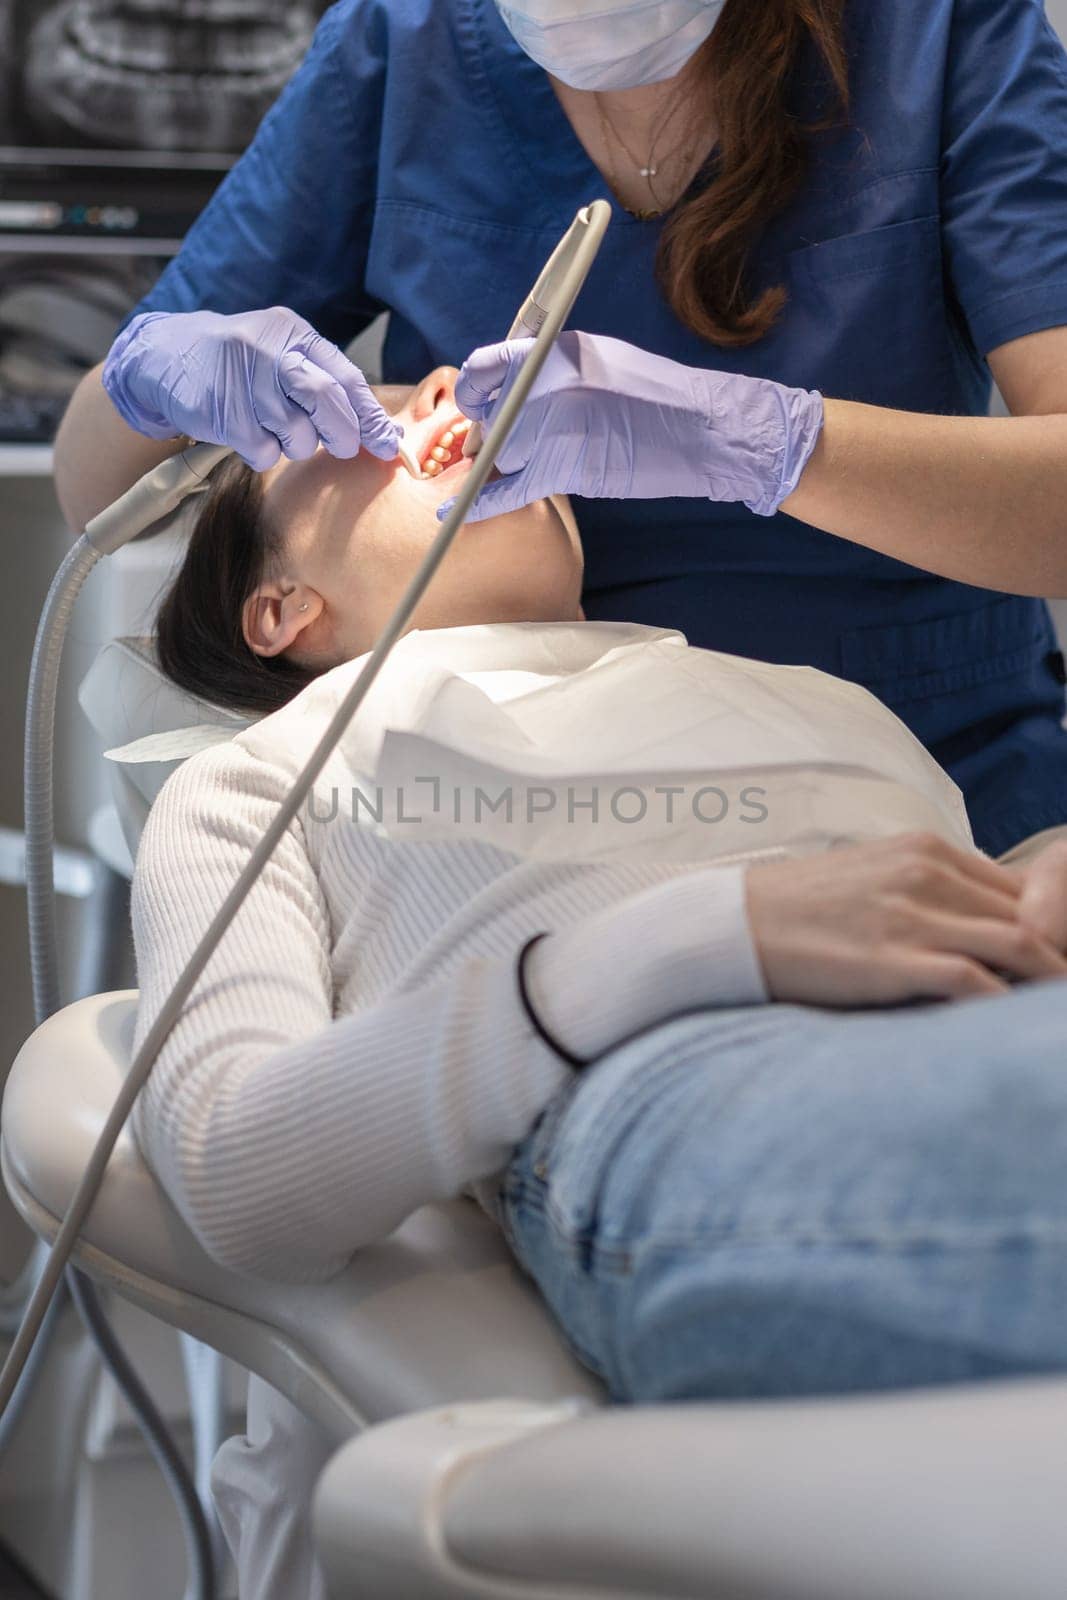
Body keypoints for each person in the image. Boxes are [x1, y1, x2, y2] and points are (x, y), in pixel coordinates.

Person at [131, 365, 1067, 1600]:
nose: (441, 398)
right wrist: (702, 938)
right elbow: (227, 1168)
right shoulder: (267, 775)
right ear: (279, 607)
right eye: (361, 420)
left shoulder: (813, 700)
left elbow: (950, 903)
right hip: (675, 1091)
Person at [54, 0, 1067, 861]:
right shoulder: (407, 42)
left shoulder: (935, 30)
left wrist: (765, 441)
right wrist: (148, 382)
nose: (441, 387)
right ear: (283, 612)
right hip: (528, 799)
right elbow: (97, 488)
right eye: (389, 417)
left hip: (947, 776)